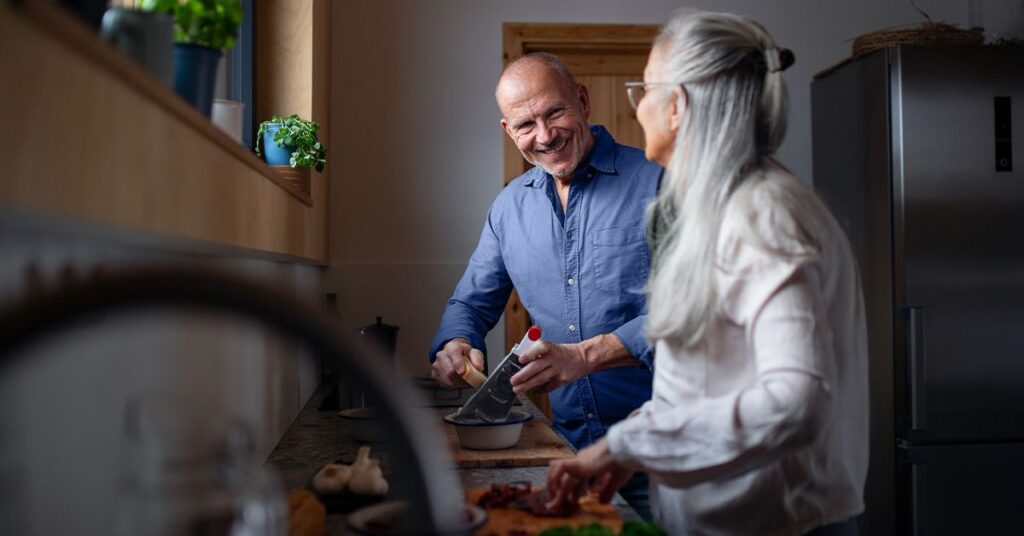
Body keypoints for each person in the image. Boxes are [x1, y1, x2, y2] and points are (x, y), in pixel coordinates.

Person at [544, 9, 869, 535]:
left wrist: (628, 444)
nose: (638, 106)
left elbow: (796, 404)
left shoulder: (763, 214)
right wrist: (625, 447)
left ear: (678, 105)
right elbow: (705, 383)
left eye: (644, 89)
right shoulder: (723, 206)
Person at [428, 52, 662, 517]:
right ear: (507, 131)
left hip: (661, 459)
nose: (545, 135)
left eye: (554, 112)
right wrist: (456, 341)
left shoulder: (659, 184)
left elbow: (699, 314)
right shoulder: (508, 209)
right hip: (567, 457)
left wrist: (584, 356)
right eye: (525, 124)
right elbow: (471, 303)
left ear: (583, 100)